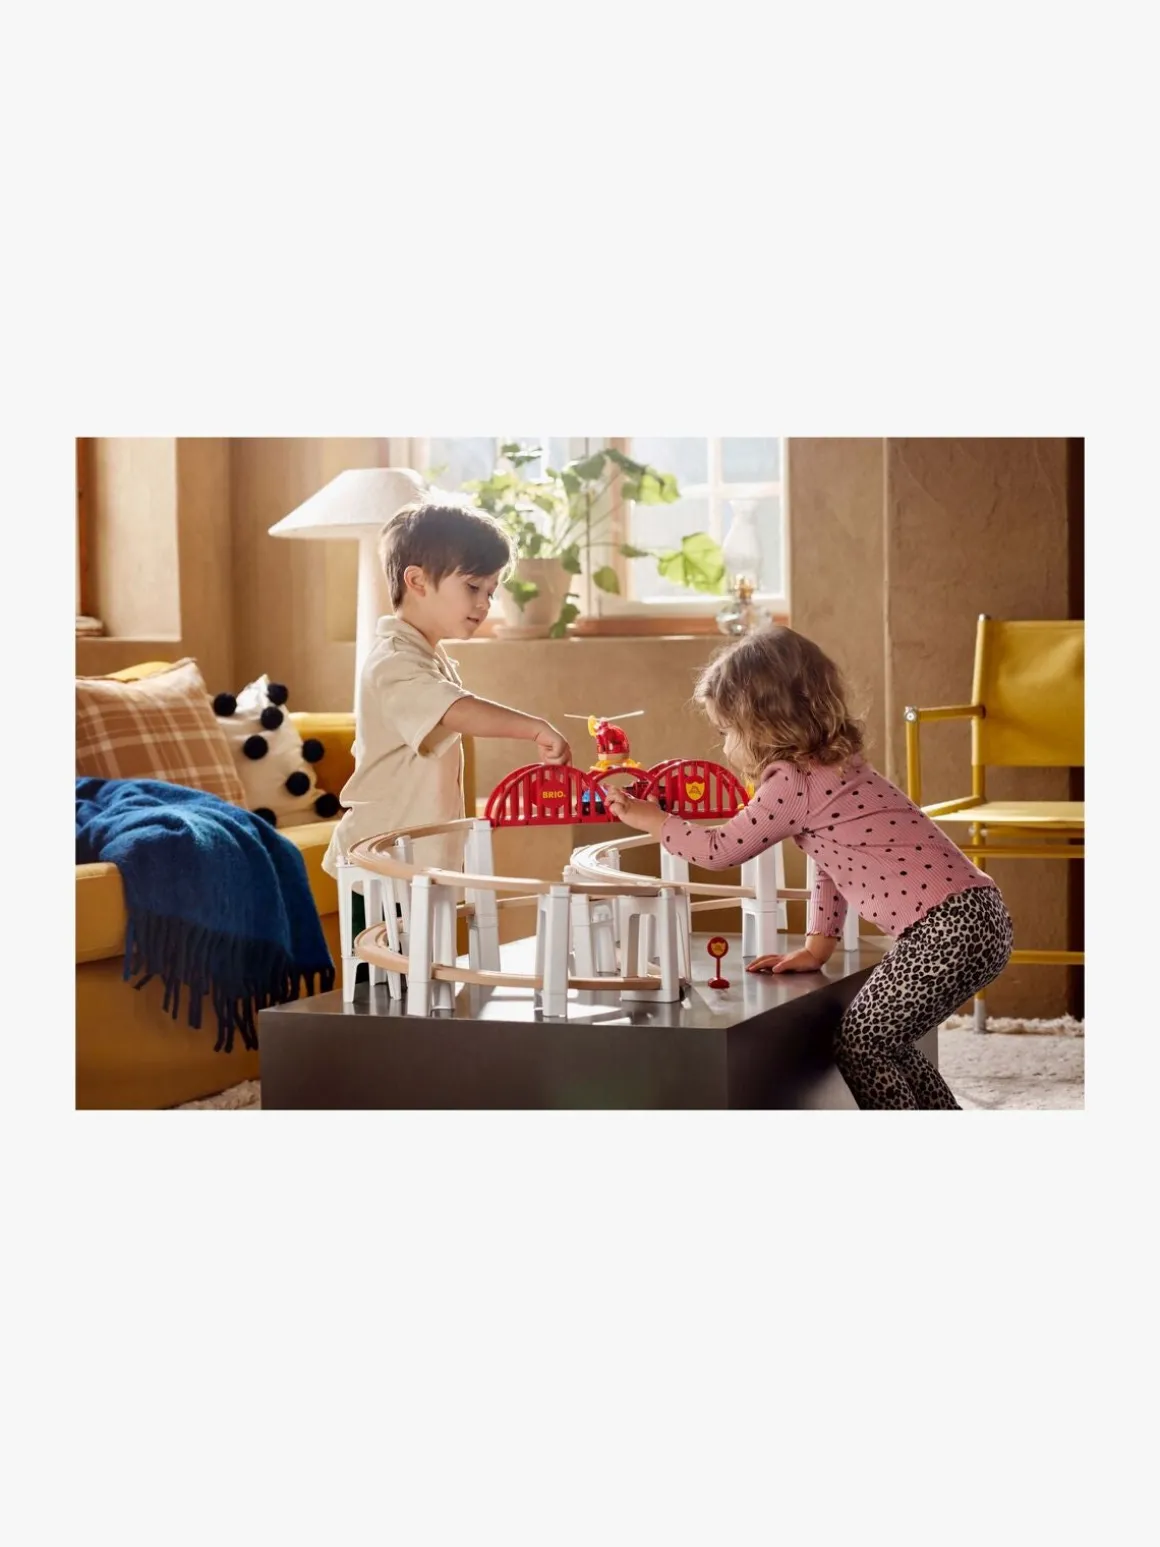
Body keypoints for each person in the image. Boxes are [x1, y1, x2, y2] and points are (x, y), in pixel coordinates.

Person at [603, 625, 1012, 1110]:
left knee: (864, 1044)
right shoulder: (836, 766)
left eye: (725, 731)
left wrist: (656, 820)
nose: (724, 746)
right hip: (978, 916)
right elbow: (830, 863)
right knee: (890, 1042)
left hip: (946, 930)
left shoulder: (791, 782)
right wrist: (818, 946)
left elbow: (719, 850)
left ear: (761, 723)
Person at [323, 498, 571, 885]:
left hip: (416, 861)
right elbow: (456, 710)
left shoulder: (428, 656)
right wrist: (534, 728)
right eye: (473, 586)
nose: (484, 603)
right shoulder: (394, 662)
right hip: (377, 865)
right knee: (388, 932)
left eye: (490, 591)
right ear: (417, 581)